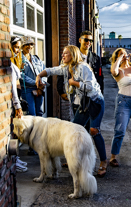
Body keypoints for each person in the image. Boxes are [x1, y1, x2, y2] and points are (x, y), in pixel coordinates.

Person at [35, 45, 108, 177]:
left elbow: (90, 87)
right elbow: (51, 70)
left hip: (95, 101)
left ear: (73, 55)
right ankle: (76, 158)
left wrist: (74, 83)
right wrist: (39, 75)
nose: (63, 56)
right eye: (62, 53)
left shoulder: (83, 67)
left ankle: (103, 161)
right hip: (83, 103)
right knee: (74, 129)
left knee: (94, 130)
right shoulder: (66, 68)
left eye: (66, 54)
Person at [20, 36, 48, 155]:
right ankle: (32, 146)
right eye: (27, 44)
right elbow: (21, 76)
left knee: (40, 115)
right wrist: (37, 83)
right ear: (22, 45)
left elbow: (44, 70)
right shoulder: (19, 59)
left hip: (39, 89)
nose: (30, 47)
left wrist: (43, 82)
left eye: (31, 45)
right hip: (28, 90)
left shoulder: (36, 58)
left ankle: (40, 142)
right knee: (32, 116)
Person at [9, 36, 28, 172]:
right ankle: (13, 161)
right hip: (14, 103)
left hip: (17, 100)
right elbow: (13, 87)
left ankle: (16, 159)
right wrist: (18, 106)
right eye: (15, 47)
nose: (17, 51)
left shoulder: (15, 62)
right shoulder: (9, 63)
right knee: (12, 133)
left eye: (19, 48)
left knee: (15, 133)